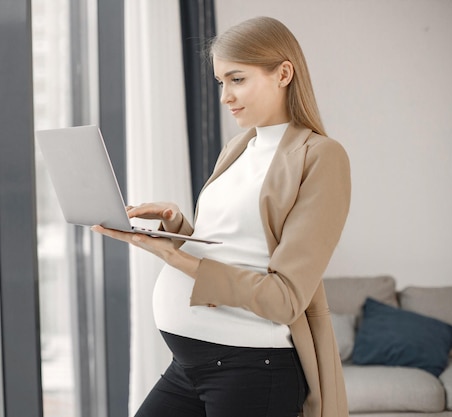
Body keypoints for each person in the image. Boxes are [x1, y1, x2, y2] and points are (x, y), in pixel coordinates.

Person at [92, 16, 350, 417]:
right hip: (190, 365)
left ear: (283, 73)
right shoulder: (240, 146)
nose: (225, 96)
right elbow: (230, 249)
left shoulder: (320, 157)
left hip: (251, 367)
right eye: (220, 83)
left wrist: (175, 258)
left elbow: (285, 298)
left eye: (237, 79)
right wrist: (176, 226)